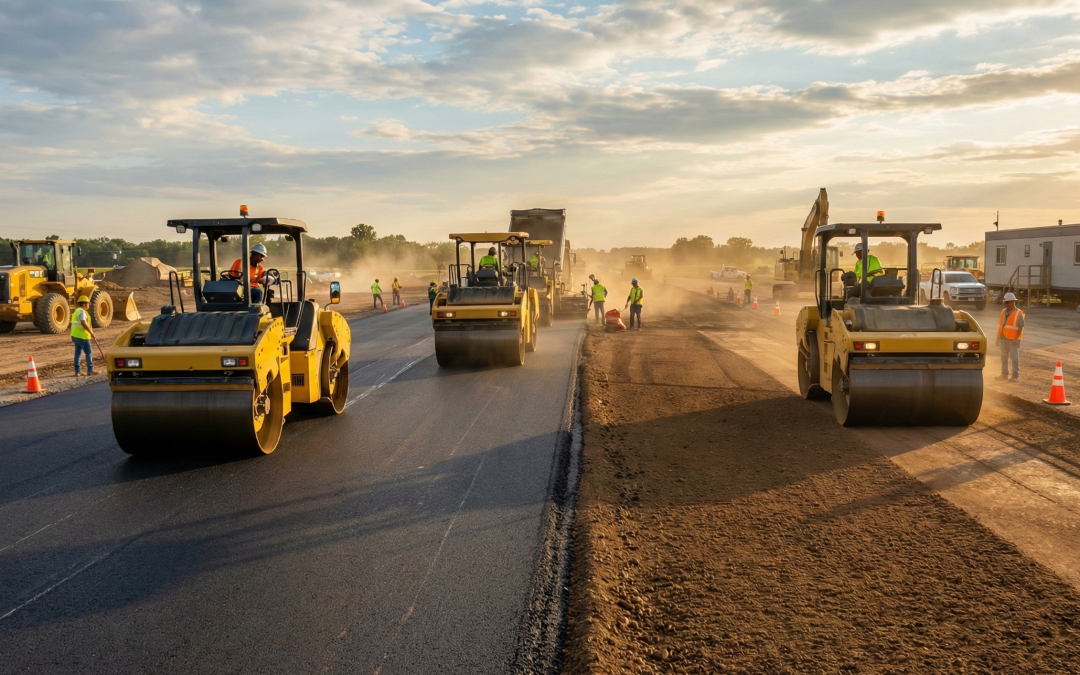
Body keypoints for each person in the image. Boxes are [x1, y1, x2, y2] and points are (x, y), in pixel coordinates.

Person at [996, 292, 1025, 381]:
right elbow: (1001, 326)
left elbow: (1021, 326)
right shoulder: (1003, 311)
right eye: (1005, 302)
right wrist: (998, 338)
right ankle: (1004, 375)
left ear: (1012, 302)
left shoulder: (1019, 313)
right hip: (1003, 338)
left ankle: (1015, 376)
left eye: (1007, 302)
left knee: (1014, 357)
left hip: (1013, 339)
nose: (1006, 304)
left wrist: (1016, 338)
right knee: (1003, 356)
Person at [71, 296, 94, 377]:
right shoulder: (82, 312)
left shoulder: (76, 311)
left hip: (75, 335)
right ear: (84, 304)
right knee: (89, 352)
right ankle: (90, 370)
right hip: (82, 336)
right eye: (88, 303)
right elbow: (83, 323)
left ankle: (77, 371)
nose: (89, 305)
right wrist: (91, 332)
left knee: (78, 353)